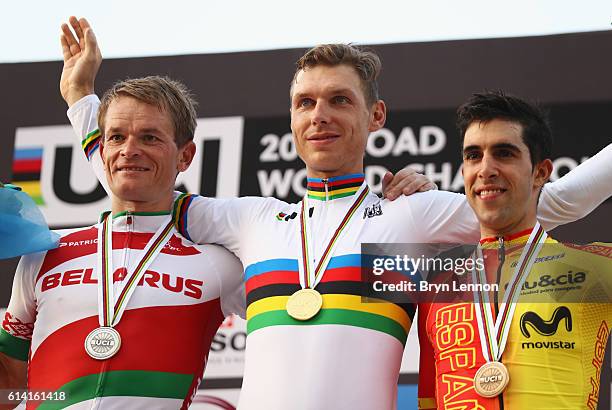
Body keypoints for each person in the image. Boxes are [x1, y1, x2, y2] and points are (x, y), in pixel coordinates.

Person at [63, 17, 612, 409]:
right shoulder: (250, 220)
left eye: (339, 100)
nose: (319, 116)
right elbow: (134, 179)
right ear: (292, 118)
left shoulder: (412, 218)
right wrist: (81, 99)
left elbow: (552, 204)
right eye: (305, 103)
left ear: (376, 115)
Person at [0, 75, 246, 410]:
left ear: (185, 156)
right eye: (117, 137)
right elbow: (8, 386)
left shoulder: (219, 265)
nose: (129, 150)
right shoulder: (46, 254)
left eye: (149, 137)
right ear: (102, 151)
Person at [417, 92, 611, 409]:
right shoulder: (437, 281)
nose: (486, 169)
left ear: (540, 172)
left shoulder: (595, 267)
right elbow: (428, 401)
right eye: (473, 156)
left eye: (504, 153)